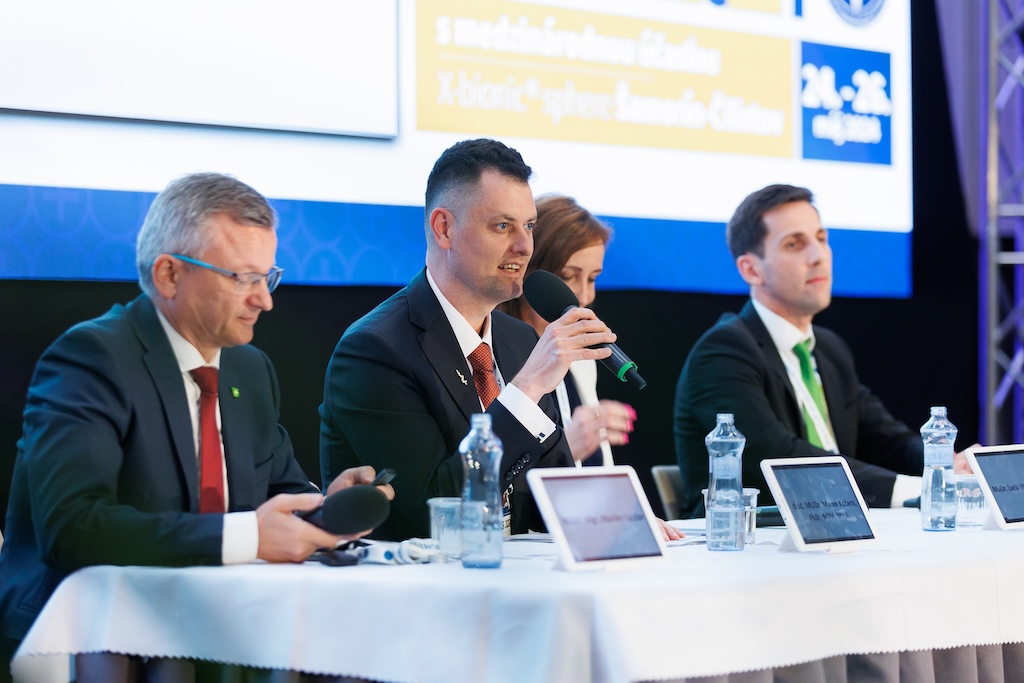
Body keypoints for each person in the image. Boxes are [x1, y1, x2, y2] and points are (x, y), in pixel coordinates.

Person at [0, 173, 394, 678]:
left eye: (267, 277)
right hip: (89, 630)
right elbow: (73, 529)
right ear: (169, 275)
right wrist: (250, 537)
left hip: (217, 617)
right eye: (242, 278)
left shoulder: (249, 369)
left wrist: (326, 507)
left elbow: (280, 491)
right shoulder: (93, 358)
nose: (265, 300)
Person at [320, 139, 680, 542]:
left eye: (529, 227)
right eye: (503, 226)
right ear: (444, 229)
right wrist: (526, 389)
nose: (524, 247)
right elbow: (435, 509)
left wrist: (617, 519)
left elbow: (554, 486)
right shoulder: (375, 350)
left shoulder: (519, 339)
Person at [673, 184, 968, 518]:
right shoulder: (723, 353)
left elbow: (885, 438)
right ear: (751, 269)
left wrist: (944, 463)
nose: (819, 256)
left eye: (821, 238)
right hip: (752, 540)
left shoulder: (828, 348)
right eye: (794, 244)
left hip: (836, 529)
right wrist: (919, 488)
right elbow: (781, 458)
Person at [498, 194, 635, 466]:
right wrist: (566, 448)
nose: (583, 296)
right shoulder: (493, 355)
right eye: (568, 276)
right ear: (529, 271)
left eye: (592, 279)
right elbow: (490, 473)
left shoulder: (582, 360)